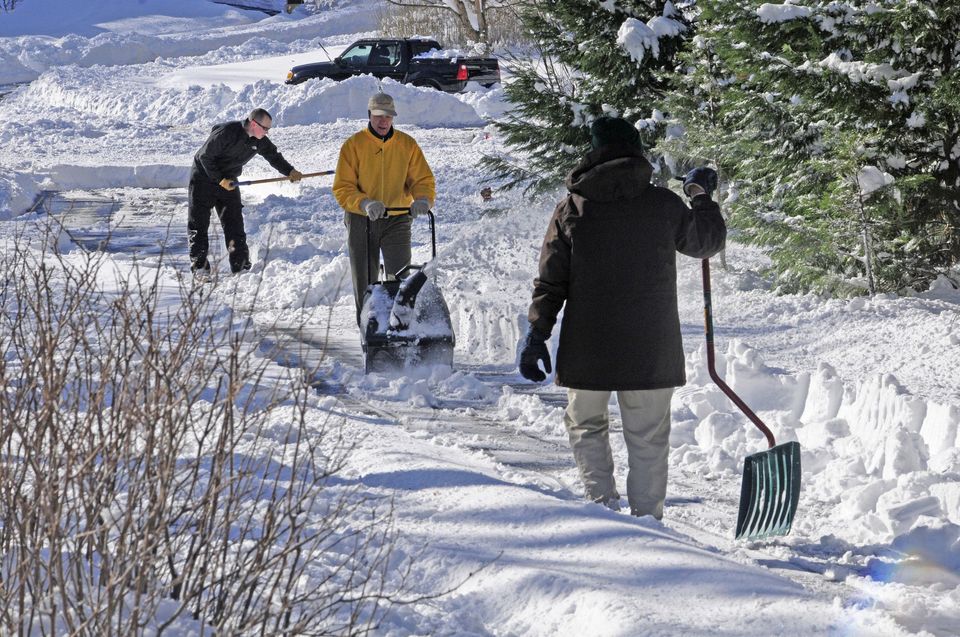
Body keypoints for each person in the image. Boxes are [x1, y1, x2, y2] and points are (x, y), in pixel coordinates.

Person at [518, 116, 726, 519]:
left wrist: (537, 333)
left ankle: (602, 508)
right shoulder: (662, 204)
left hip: (588, 347)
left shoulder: (572, 209)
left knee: (586, 424)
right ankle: (648, 520)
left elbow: (550, 281)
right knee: (648, 437)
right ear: (637, 153)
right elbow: (706, 242)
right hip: (650, 348)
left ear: (592, 154)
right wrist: (700, 198)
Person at [333, 92, 436, 325]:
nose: (383, 121)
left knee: (400, 274)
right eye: (378, 116)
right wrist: (365, 203)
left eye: (388, 116)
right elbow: (343, 187)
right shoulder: (353, 146)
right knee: (365, 277)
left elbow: (423, 180)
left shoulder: (407, 144)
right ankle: (366, 325)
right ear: (369, 115)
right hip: (362, 219)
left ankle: (399, 324)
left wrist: (422, 200)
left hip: (397, 218)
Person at [188, 107, 303, 275]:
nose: (267, 132)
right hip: (203, 178)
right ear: (253, 123)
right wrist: (220, 180)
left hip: (229, 181)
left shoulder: (260, 140)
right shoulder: (227, 132)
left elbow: (273, 156)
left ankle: (240, 266)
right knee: (199, 224)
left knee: (234, 223)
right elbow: (204, 157)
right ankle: (200, 268)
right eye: (265, 128)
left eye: (268, 129)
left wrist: (290, 171)